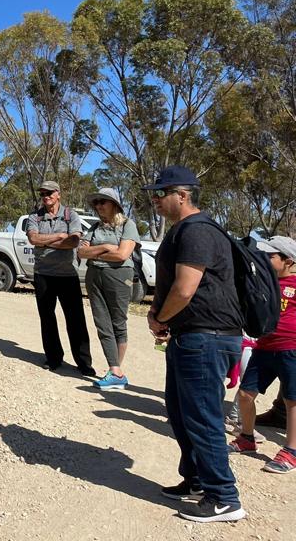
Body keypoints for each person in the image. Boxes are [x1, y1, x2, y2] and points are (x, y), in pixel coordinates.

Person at [145, 166, 245, 523]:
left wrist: (160, 318)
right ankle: (198, 480)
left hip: (208, 338)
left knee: (202, 418)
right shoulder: (183, 230)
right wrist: (158, 313)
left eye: (161, 193)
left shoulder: (198, 231)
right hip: (192, 337)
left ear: (182, 195)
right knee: (180, 411)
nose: (155, 199)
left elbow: (186, 288)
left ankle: (224, 498)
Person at [227, 235, 296, 474]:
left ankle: (291, 450)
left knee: (292, 400)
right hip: (264, 347)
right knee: (246, 394)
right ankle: (247, 438)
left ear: (288, 260)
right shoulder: (266, 282)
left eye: (271, 256)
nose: (265, 259)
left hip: (291, 349)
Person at [25, 180, 94, 376]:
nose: (45, 196)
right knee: (47, 318)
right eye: (43, 193)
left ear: (58, 194)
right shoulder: (34, 217)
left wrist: (46, 243)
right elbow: (33, 239)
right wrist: (59, 237)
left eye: (49, 192)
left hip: (67, 275)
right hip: (43, 274)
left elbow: (73, 241)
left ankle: (83, 362)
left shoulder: (70, 215)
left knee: (76, 320)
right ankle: (54, 358)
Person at [77, 187, 140, 390]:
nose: (98, 206)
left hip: (120, 276)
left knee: (118, 322)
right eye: (96, 203)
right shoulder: (94, 228)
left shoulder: (128, 225)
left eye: (102, 202)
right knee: (102, 322)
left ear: (114, 205)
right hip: (94, 276)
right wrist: (105, 248)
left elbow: (122, 255)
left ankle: (116, 371)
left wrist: (94, 253)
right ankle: (114, 370)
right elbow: (81, 251)